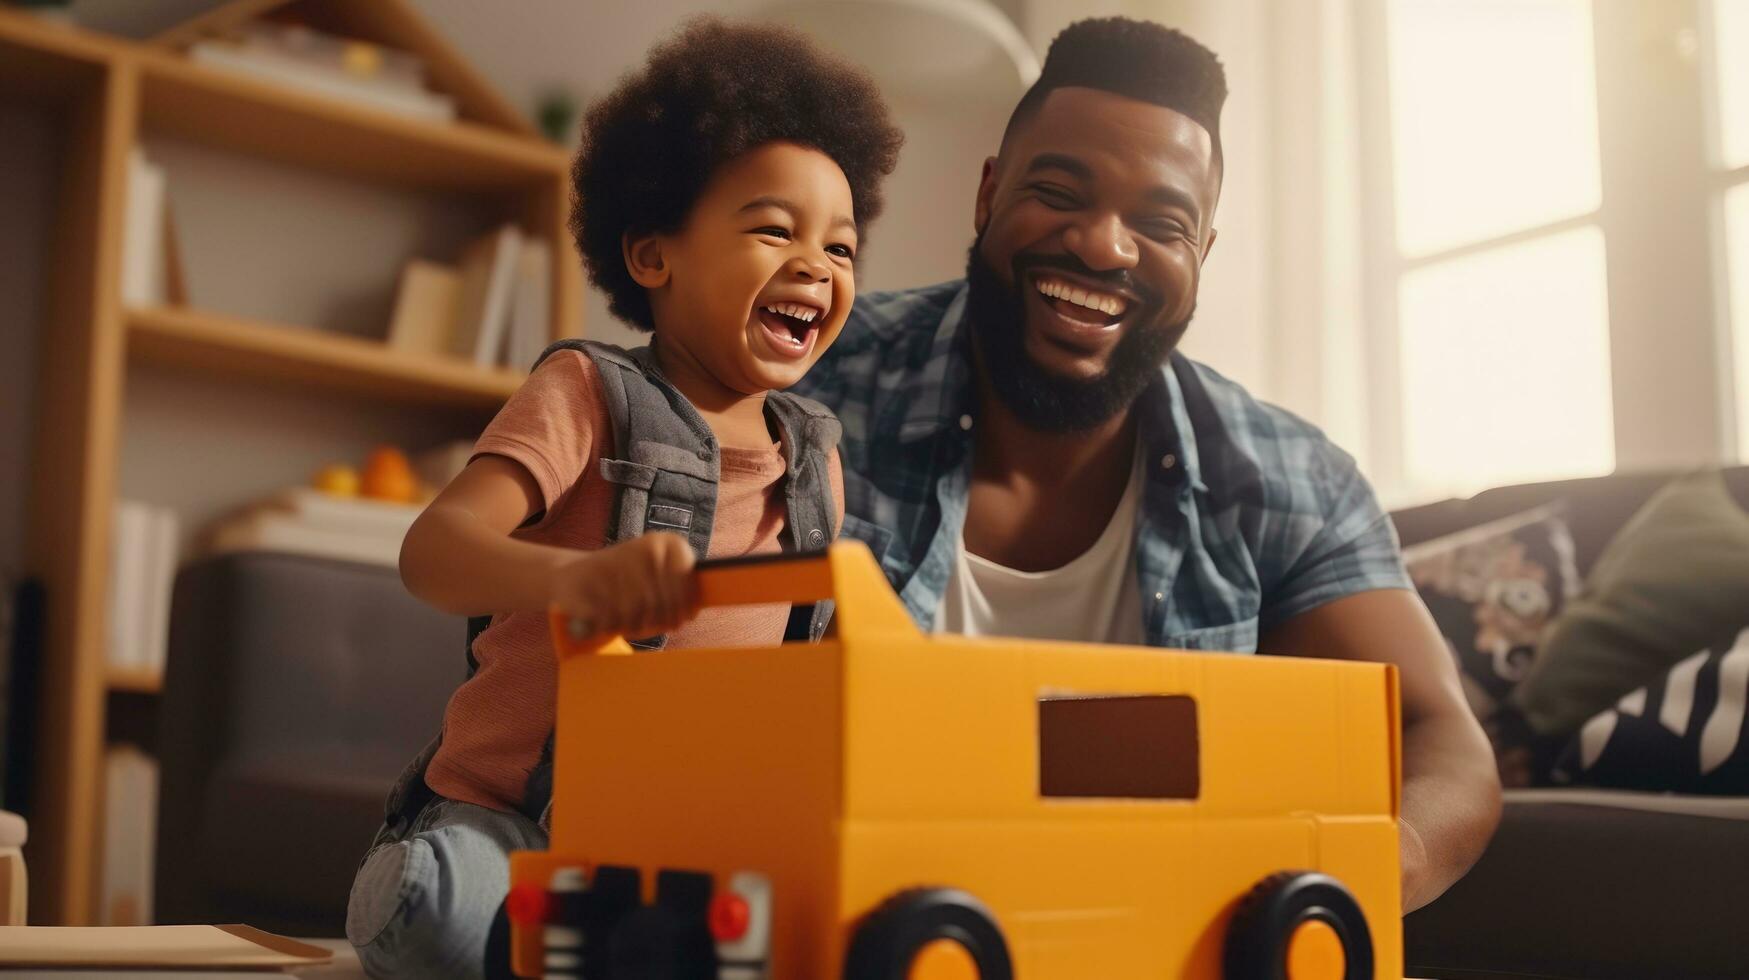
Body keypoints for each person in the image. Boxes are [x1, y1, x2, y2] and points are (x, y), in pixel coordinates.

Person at [793, 16, 1500, 913]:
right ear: (988, 195)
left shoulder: (1291, 479)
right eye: (1060, 191)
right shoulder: (806, 380)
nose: (1104, 245)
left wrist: (1361, 871)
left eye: (1160, 223)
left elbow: (1440, 737)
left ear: (1200, 256)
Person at [345, 18, 902, 977]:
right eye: (774, 228)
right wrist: (579, 578)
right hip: (514, 819)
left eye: (841, 248)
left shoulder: (815, 459)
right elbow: (432, 550)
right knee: (441, 918)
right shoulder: (587, 393)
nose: (816, 264)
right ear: (653, 255)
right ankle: (428, 888)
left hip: (684, 835)